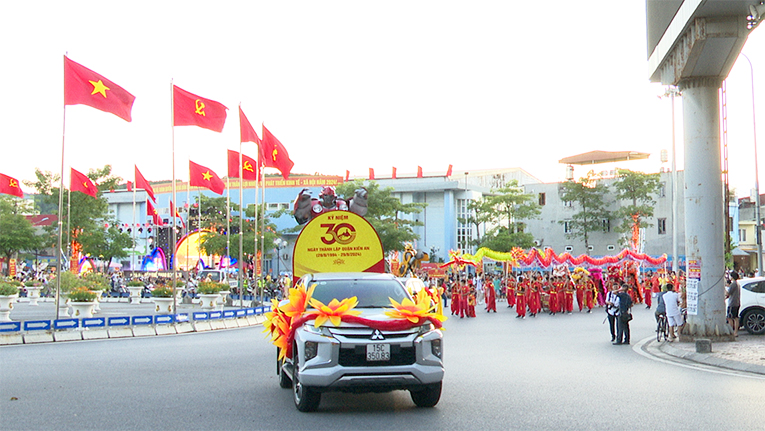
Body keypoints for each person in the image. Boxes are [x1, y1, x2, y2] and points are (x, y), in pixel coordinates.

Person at [725, 271, 741, 337]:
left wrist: (724, 289)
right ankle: (735, 332)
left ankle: (732, 331)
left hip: (732, 303)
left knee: (730, 318)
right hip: (737, 302)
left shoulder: (733, 284)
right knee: (736, 318)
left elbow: (728, 293)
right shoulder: (737, 284)